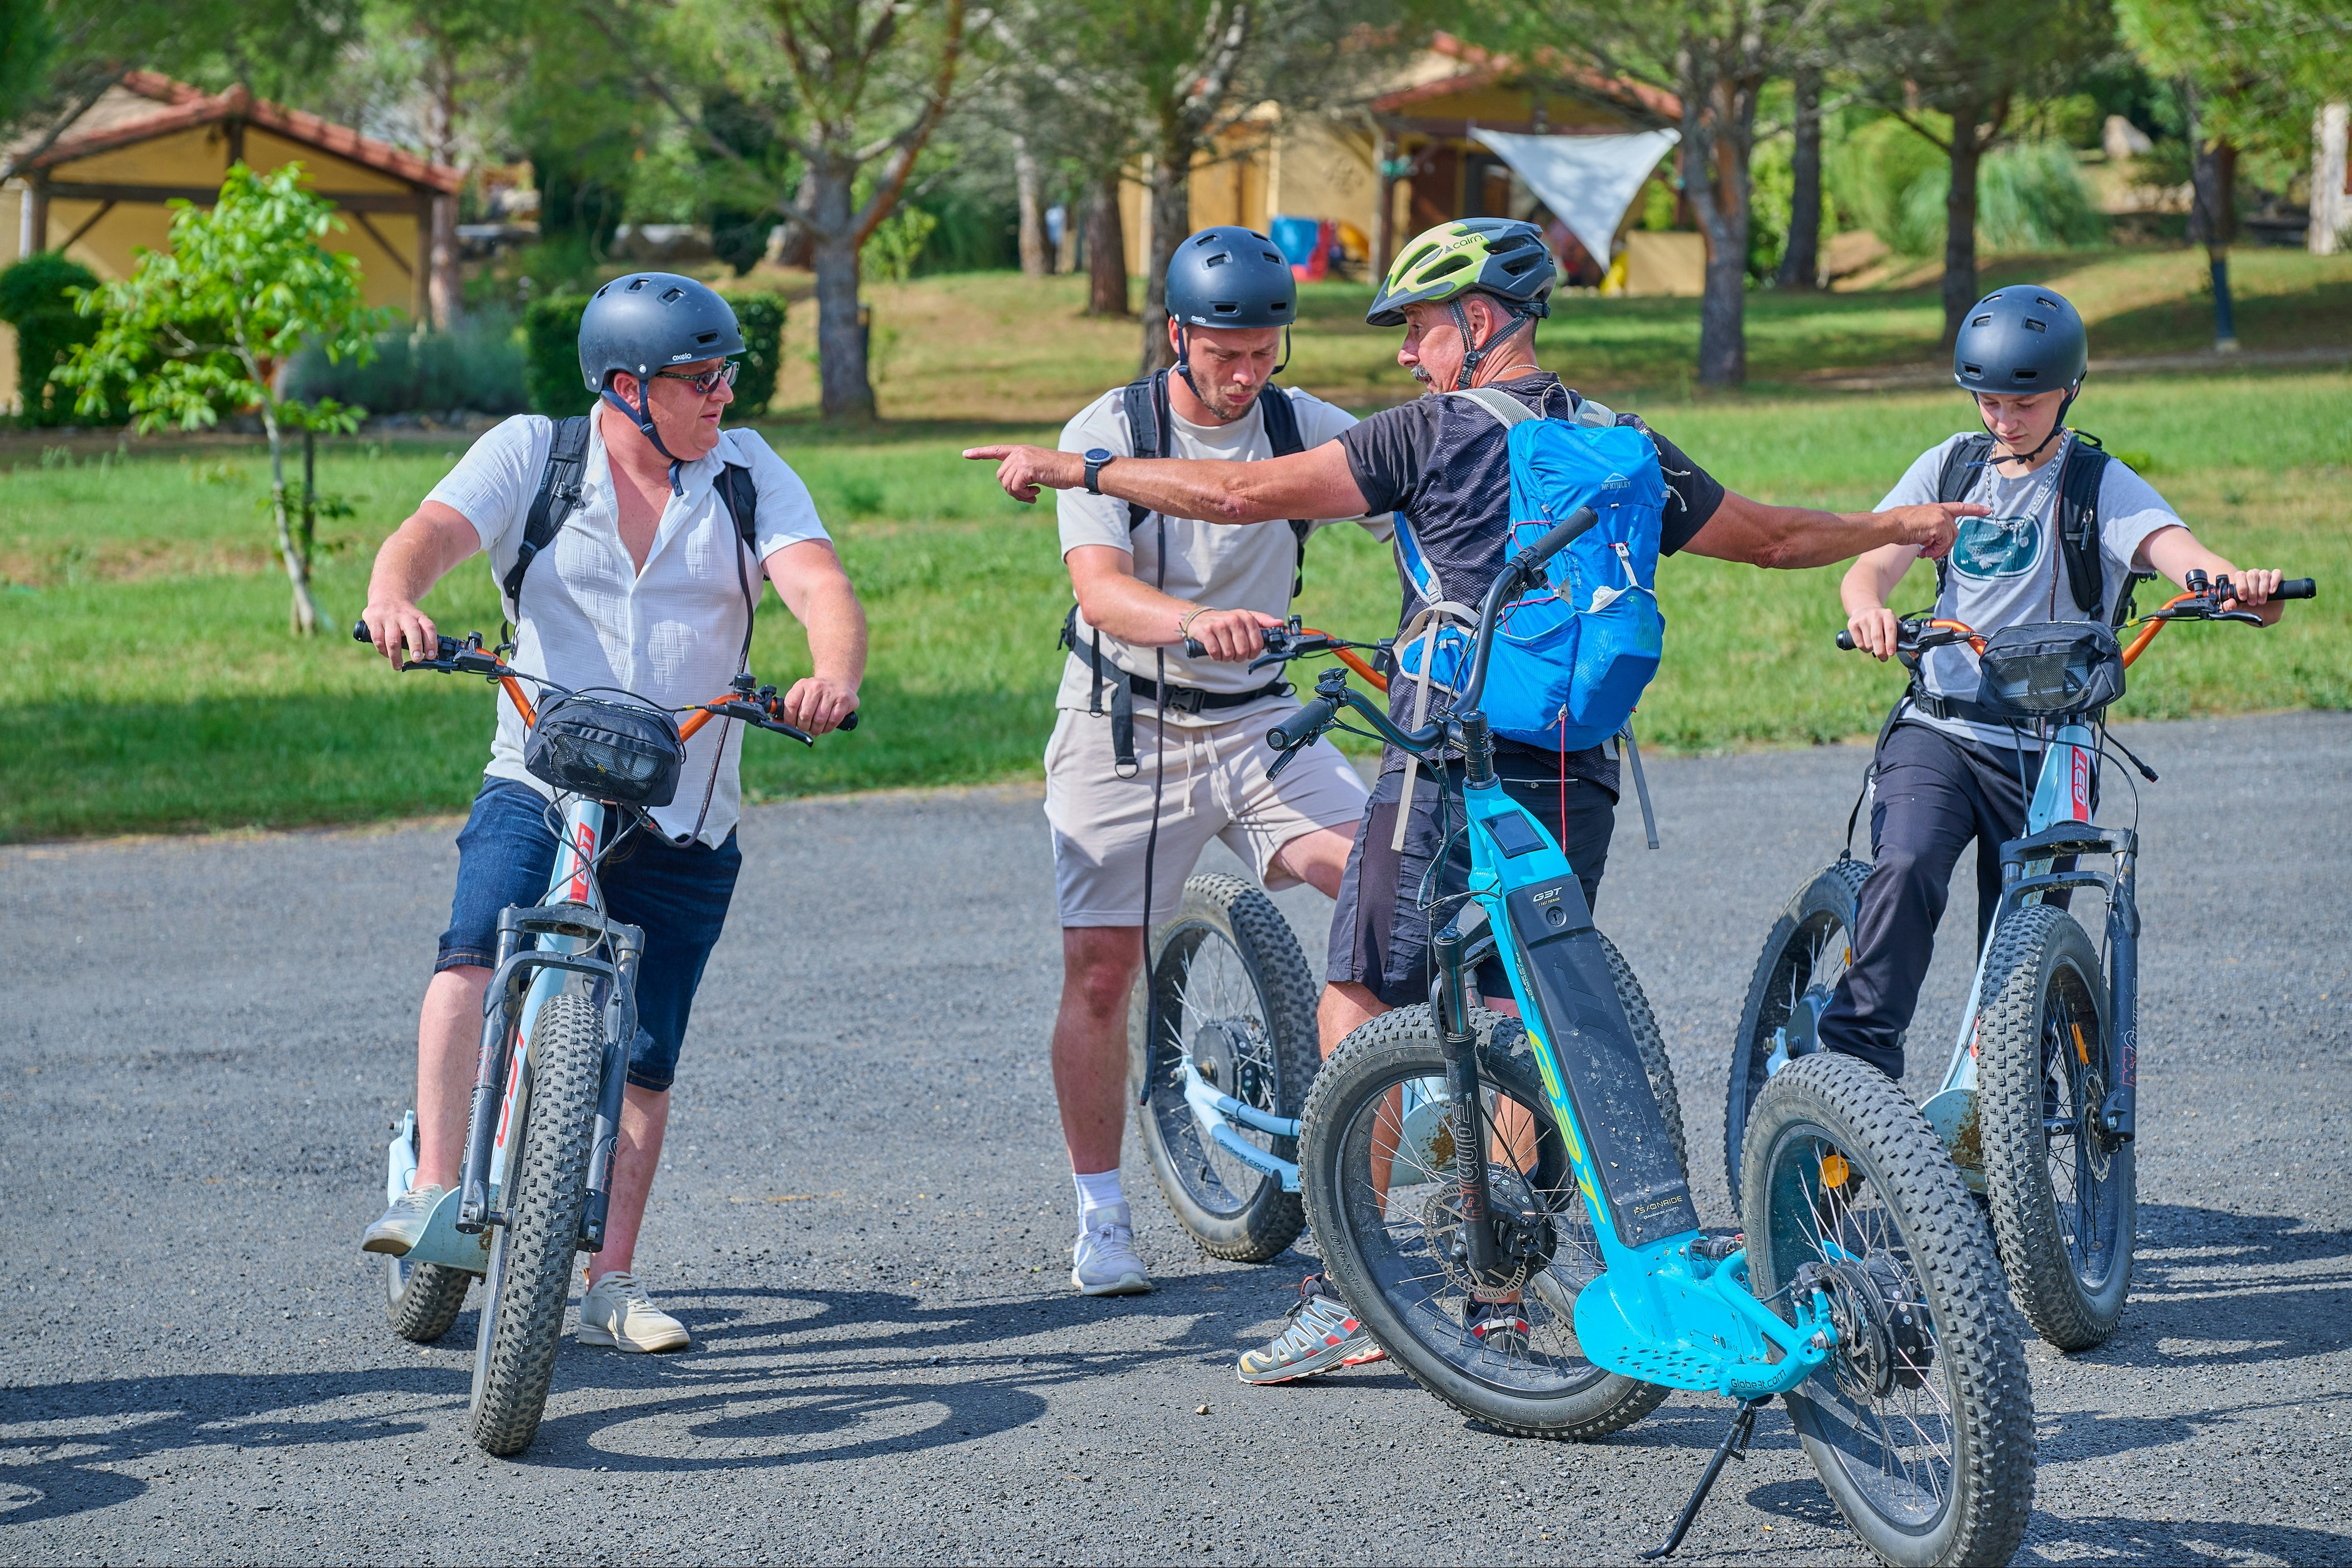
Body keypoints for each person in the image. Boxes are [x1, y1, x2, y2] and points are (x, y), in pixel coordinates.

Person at [968, 217, 1983, 1379]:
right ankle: (1496, 1290)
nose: (1407, 355)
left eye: (1419, 328)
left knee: (1363, 987)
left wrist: (1079, 468)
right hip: (1577, 759)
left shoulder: (1431, 435)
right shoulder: (1623, 438)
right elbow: (1778, 537)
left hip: (1448, 760)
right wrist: (1894, 527)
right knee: (1516, 1005)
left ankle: (1351, 1292)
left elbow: (1238, 495)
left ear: (1483, 322)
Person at [356, 273, 867, 1353]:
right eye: (701, 377)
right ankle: (436, 1193)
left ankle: (612, 1281)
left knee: (646, 1053)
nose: (724, 392)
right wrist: (394, 596)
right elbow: (431, 532)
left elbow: (818, 581)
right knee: (466, 958)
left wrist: (832, 673)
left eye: (729, 371)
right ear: (630, 389)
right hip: (539, 775)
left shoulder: (745, 472)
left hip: (687, 799)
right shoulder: (534, 455)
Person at [1034, 227, 1390, 1297]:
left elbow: (1415, 513)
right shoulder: (1111, 431)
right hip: (1127, 720)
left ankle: (1367, 1159)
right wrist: (1194, 621)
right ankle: (1100, 1214)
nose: (1245, 375)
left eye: (1265, 350)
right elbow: (1100, 589)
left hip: (1263, 720)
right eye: (1225, 352)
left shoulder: (1304, 425)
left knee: (1389, 887)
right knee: (1101, 973)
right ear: (1180, 335)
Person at [1820, 285, 2281, 1080]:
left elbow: (2181, 554)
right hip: (1944, 727)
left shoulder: (2099, 484)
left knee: (2023, 952)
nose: (2004, 421)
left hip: (2052, 745)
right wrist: (1868, 610)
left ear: (2069, 390)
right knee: (1906, 870)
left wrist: (2240, 585)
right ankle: (1850, 1081)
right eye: (1989, 401)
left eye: (2024, 403)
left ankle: (2000, 1119)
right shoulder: (1951, 465)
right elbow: (1871, 570)